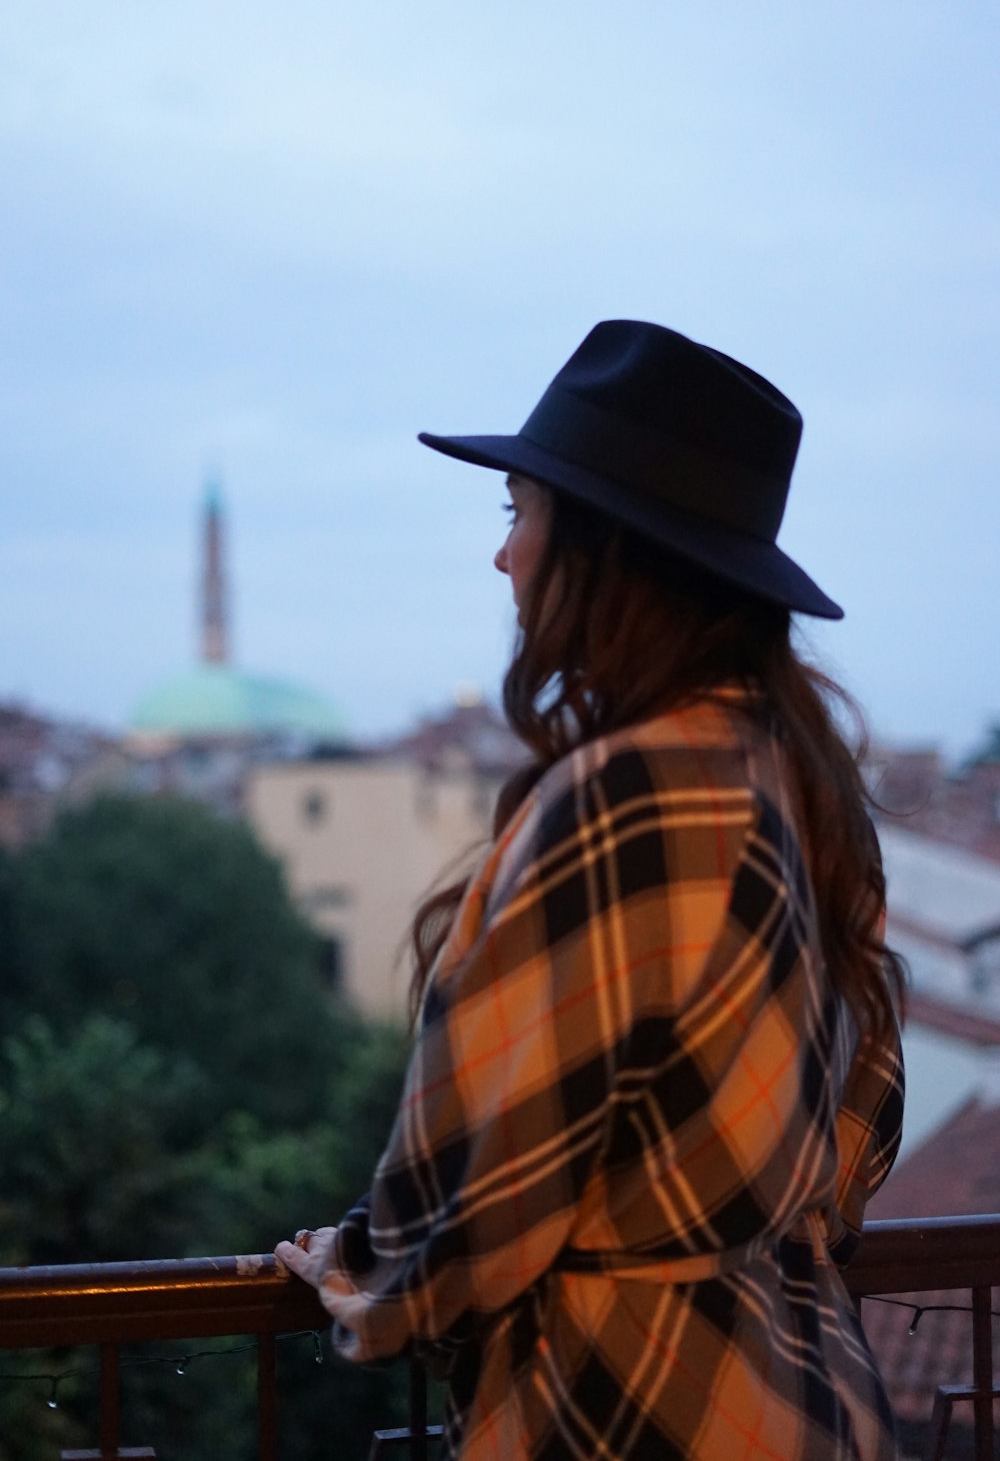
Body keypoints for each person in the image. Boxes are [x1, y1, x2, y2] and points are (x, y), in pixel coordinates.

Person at [276, 320, 906, 1460]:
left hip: (631, 1414)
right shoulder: (801, 778)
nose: (505, 554)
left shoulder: (624, 796)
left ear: (604, 550)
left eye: (519, 511)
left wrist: (357, 1269)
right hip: (814, 1396)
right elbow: (858, 1134)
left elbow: (471, 1218)